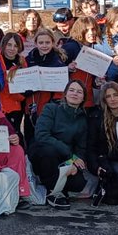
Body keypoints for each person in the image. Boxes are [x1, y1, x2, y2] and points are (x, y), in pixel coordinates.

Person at [30, 79, 90, 208]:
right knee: (49, 152)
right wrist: (70, 155)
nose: (75, 93)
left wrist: (74, 163)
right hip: (44, 151)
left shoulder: (83, 119)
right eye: (71, 90)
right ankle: (53, 192)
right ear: (65, 94)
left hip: (65, 158)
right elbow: (42, 135)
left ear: (83, 98)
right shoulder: (51, 108)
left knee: (79, 183)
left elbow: (81, 146)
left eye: (79, 92)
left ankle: (55, 186)